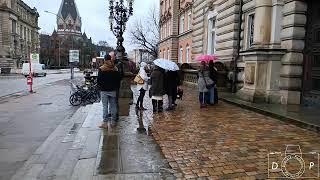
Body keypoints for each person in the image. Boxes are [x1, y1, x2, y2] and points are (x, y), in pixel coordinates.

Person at [97, 55, 121, 129]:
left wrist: (101, 87)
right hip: (113, 90)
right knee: (113, 106)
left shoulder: (101, 68)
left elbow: (99, 80)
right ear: (110, 59)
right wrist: (116, 87)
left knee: (105, 106)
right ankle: (113, 122)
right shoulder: (115, 68)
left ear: (104, 59)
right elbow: (118, 79)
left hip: (104, 90)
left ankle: (105, 123)